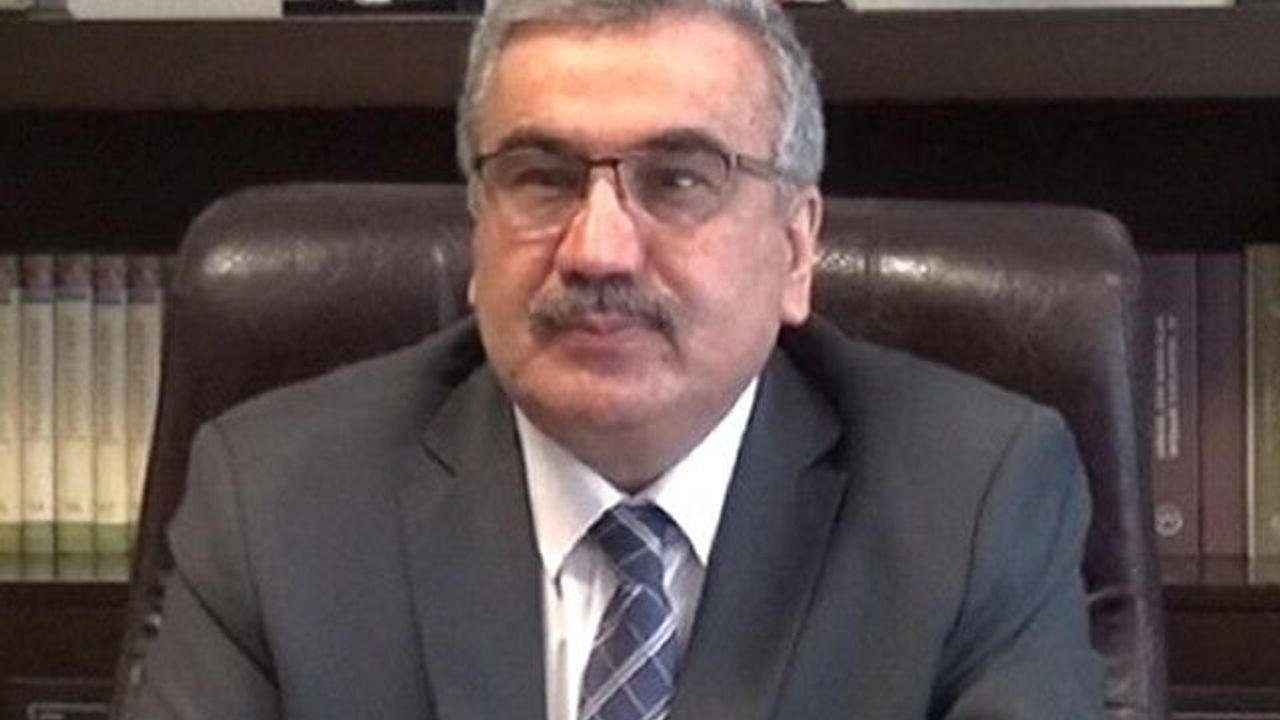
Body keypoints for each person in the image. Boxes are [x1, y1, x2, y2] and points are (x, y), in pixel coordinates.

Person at [124, 0, 1106, 718]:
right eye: (541, 179)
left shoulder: (973, 501)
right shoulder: (277, 504)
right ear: (477, 227)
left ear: (795, 248)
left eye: (676, 180)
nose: (596, 249)